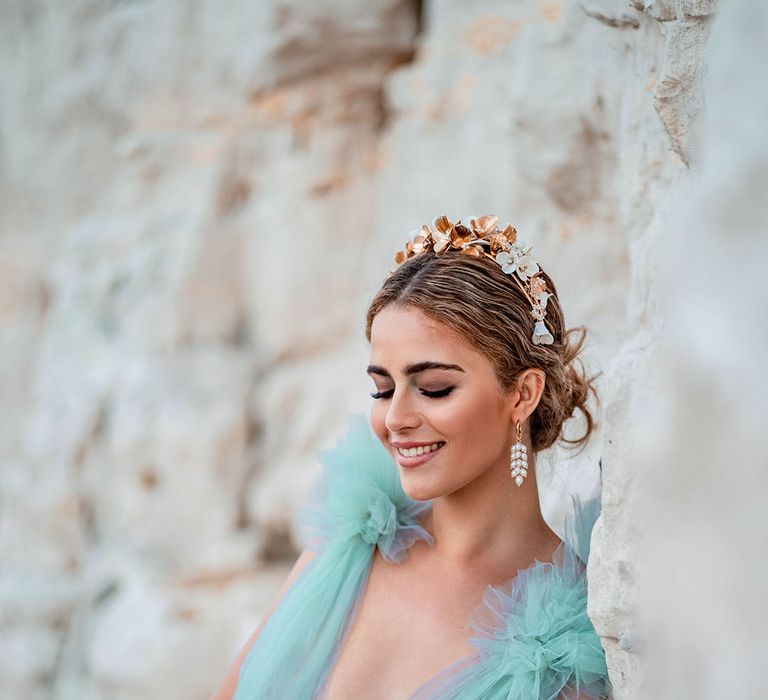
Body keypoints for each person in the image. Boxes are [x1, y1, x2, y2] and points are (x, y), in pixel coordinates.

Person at [211, 214, 612, 700]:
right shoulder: (353, 543)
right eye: (383, 388)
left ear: (523, 393)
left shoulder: (568, 639)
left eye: (434, 388)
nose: (395, 417)